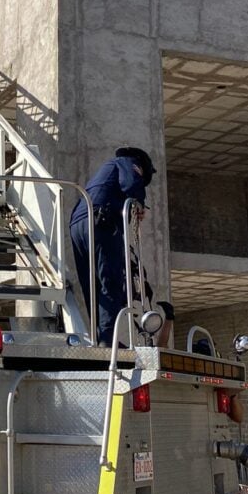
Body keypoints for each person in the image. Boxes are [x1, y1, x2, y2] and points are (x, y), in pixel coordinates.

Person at [69, 146, 156, 346]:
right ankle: (107, 341)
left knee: (92, 286)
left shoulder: (103, 175)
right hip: (101, 223)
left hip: (78, 225)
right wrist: (139, 203)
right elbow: (131, 183)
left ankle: (100, 337)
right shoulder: (126, 162)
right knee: (111, 283)